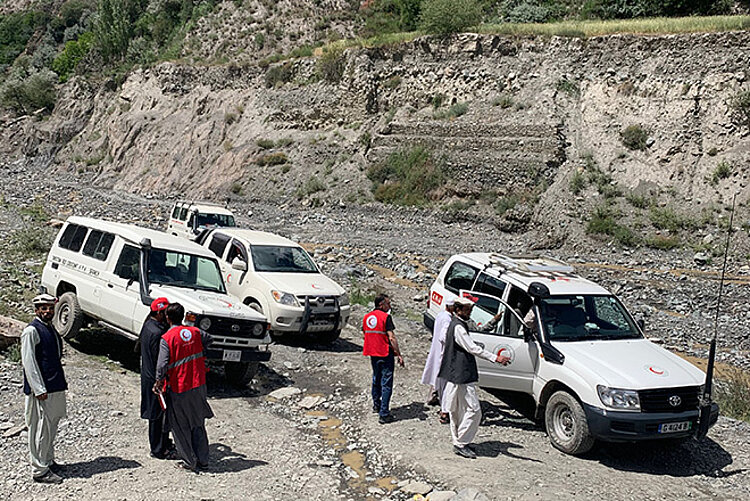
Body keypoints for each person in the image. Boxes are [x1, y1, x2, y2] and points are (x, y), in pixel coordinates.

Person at [438, 297, 511, 459]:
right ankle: (461, 442)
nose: (469, 313)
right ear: (458, 310)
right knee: (473, 410)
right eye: (467, 310)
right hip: (461, 375)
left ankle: (460, 440)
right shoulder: (458, 328)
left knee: (458, 410)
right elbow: (472, 348)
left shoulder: (457, 324)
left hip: (457, 374)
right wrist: (495, 358)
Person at [154, 303, 214, 472]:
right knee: (197, 423)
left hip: (180, 386)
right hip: (199, 383)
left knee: (179, 425)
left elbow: (161, 365)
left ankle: (189, 461)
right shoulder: (194, 332)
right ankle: (203, 460)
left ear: (167, 317)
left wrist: (158, 382)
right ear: (182, 317)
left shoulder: (168, 338)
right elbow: (209, 339)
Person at [21, 294, 67, 484]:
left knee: (51, 426)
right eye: (43, 308)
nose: (47, 311)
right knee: (40, 429)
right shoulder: (31, 331)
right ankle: (39, 470)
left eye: (50, 307)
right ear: (36, 310)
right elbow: (29, 362)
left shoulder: (50, 328)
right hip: (42, 390)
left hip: (54, 385)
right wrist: (38, 388)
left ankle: (47, 460)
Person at [139, 297, 175, 459]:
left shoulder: (148, 326)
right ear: (159, 313)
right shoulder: (158, 332)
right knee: (157, 415)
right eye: (166, 312)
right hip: (155, 379)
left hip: (148, 374)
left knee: (160, 413)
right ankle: (157, 449)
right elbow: (160, 360)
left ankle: (163, 443)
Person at [362, 294, 404, 424]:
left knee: (376, 378)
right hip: (385, 353)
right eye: (388, 304)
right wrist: (399, 354)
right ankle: (384, 413)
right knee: (386, 382)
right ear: (381, 305)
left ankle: (376, 405)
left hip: (372, 353)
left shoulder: (367, 317)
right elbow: (391, 337)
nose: (389, 306)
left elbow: (365, 332)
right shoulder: (386, 317)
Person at [421, 298, 456, 424]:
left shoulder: (440, 315)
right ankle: (445, 410)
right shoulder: (447, 319)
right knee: (445, 384)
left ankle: (436, 400)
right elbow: (443, 336)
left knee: (438, 380)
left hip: (437, 352)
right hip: (443, 354)